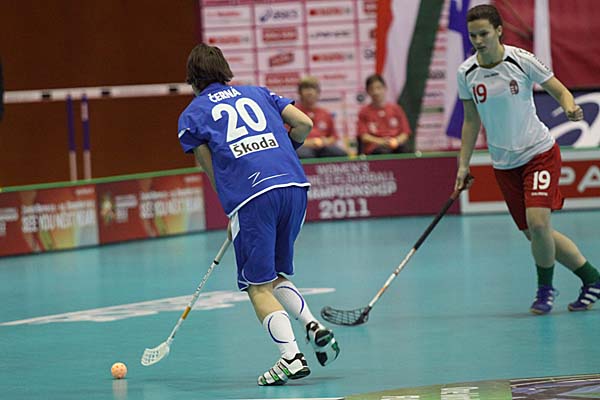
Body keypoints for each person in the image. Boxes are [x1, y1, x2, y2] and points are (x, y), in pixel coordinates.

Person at [177, 44, 340, 386]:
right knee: (275, 274)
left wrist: (233, 209)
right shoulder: (258, 92)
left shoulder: (192, 115)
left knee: (257, 286)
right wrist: (283, 151)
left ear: (193, 79)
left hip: (253, 197)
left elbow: (211, 169)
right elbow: (304, 123)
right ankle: (312, 325)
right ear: (224, 70)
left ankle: (290, 358)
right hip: (295, 187)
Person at [454, 4, 600, 315]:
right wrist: (463, 165)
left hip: (538, 153)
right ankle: (592, 278)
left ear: (499, 31)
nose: (478, 40)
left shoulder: (521, 60)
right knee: (535, 234)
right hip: (504, 164)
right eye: (473, 35)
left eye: (483, 34)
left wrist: (571, 108)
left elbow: (560, 90)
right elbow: (471, 120)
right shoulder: (466, 72)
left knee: (538, 223)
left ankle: (545, 291)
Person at [357, 74, 412, 155]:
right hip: (375, 148)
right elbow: (364, 136)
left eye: (378, 88)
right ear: (367, 91)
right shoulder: (364, 112)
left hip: (396, 144)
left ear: (385, 88)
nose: (376, 92)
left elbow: (405, 133)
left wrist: (396, 141)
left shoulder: (396, 109)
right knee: (383, 152)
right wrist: (380, 141)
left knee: (405, 151)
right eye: (372, 89)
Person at [294, 76, 347, 158]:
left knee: (340, 153)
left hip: (323, 146)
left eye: (313, 89)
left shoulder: (325, 113)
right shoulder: (293, 112)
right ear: (299, 92)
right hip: (303, 146)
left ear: (318, 93)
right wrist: (310, 143)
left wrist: (324, 142)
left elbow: (333, 137)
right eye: (306, 88)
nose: (309, 92)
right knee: (305, 154)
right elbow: (287, 138)